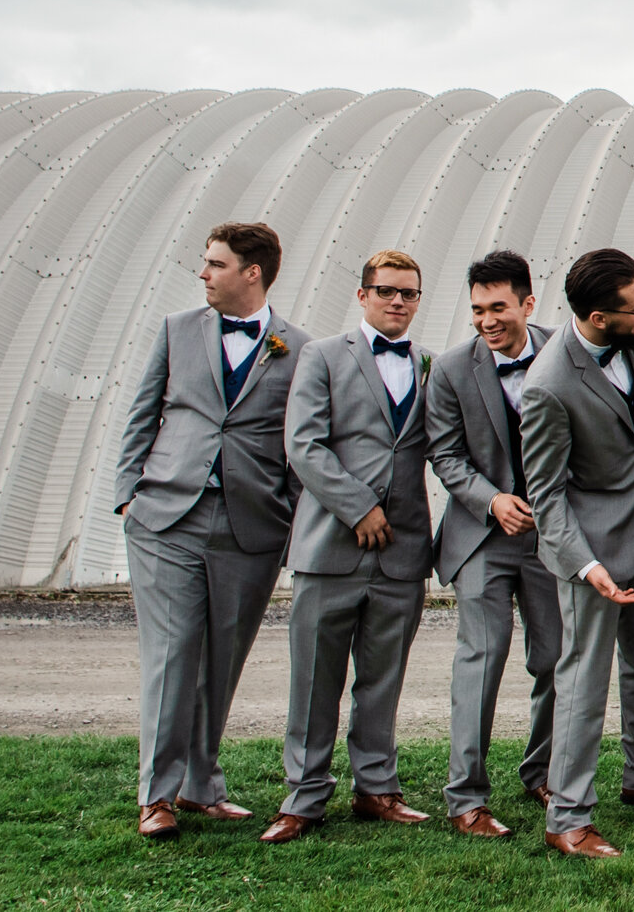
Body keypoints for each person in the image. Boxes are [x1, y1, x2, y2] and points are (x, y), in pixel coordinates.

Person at [113, 222, 314, 841]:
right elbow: (143, 412)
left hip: (251, 527)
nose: (203, 274)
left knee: (221, 661)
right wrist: (128, 495)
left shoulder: (299, 348)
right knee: (173, 656)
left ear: (251, 272)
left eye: (214, 264)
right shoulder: (177, 330)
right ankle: (158, 795)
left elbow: (301, 442)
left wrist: (290, 518)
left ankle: (202, 785)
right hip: (166, 517)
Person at [264, 249, 438, 841]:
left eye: (409, 293)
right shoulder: (320, 356)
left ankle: (377, 789)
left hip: (402, 551)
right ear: (363, 295)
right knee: (315, 678)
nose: (398, 301)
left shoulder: (428, 364)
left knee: (382, 679)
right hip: (331, 546)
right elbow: (304, 445)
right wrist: (358, 507)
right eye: (386, 290)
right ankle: (304, 796)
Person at [520, 248, 634, 858]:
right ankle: (568, 817)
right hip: (589, 555)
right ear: (596, 316)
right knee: (584, 680)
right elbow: (547, 494)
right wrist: (587, 569)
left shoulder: (631, 342)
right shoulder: (549, 386)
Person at [424, 249, 559, 837]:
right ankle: (466, 798)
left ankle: (545, 770)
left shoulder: (566, 349)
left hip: (554, 536)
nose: (486, 320)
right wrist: (491, 500)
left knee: (557, 659)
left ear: (528, 303)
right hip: (482, 537)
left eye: (498, 307)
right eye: (477, 309)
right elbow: (445, 454)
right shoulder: (451, 369)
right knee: (481, 661)